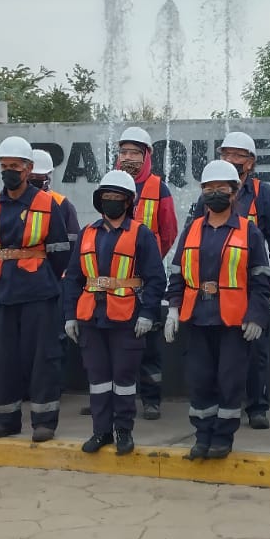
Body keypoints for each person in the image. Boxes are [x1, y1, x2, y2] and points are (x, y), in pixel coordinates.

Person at [165, 161, 270, 460]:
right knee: (199, 379)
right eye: (208, 189)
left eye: (221, 189)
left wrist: (256, 316)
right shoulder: (191, 230)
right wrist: (173, 310)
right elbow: (177, 274)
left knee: (229, 379)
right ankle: (203, 435)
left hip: (233, 321)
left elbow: (261, 280)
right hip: (197, 318)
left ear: (234, 193)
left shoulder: (249, 232)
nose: (214, 194)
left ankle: (223, 437)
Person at [180, 130, 270, 428]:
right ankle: (220, 406)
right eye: (225, 154)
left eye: (237, 155)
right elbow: (189, 240)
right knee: (217, 357)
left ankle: (256, 406)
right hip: (214, 294)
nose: (230, 159)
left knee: (256, 350)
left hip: (251, 285)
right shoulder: (208, 196)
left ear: (250, 162)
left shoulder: (263, 194)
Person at [65, 170, 166, 455]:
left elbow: (156, 279)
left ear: (127, 202)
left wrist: (148, 314)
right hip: (91, 318)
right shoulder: (87, 233)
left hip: (126, 319)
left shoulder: (141, 234)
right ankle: (101, 431)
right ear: (99, 201)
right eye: (106, 197)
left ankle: (123, 430)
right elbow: (73, 278)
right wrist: (70, 316)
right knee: (97, 379)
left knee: (123, 379)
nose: (111, 202)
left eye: (117, 198)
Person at [0, 135, 70, 442]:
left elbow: (60, 251)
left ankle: (44, 421)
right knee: (1, 356)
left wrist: (42, 275)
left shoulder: (48, 203)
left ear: (28, 168)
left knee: (42, 356)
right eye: (4, 166)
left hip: (37, 290)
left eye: (15, 166)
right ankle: (5, 419)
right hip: (0, 289)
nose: (9, 171)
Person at [115, 125, 177, 421]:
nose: (128, 158)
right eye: (124, 152)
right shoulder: (110, 183)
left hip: (144, 280)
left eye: (135, 153)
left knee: (148, 343)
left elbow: (169, 231)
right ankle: (109, 396)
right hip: (113, 281)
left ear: (147, 156)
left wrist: (151, 261)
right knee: (111, 342)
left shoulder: (157, 187)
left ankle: (151, 400)